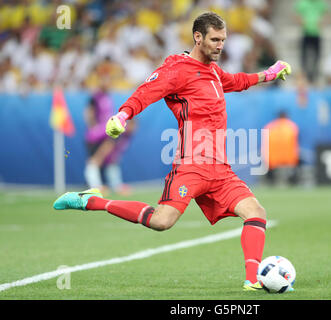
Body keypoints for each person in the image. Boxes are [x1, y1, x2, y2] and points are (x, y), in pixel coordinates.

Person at [53, 12, 291, 291]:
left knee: (256, 212)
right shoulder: (176, 69)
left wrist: (269, 73)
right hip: (191, 165)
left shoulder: (214, 71)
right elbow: (146, 92)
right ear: (198, 37)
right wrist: (123, 115)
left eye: (223, 40)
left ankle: (253, 280)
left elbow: (236, 81)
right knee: (161, 222)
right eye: (215, 39)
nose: (220, 45)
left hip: (220, 169)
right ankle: (92, 201)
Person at [262, 111, 299, 186]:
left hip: (273, 159)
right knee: (295, 170)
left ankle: (270, 182)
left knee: (269, 172)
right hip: (288, 158)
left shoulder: (270, 126)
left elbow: (265, 143)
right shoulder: (291, 126)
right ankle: (293, 182)